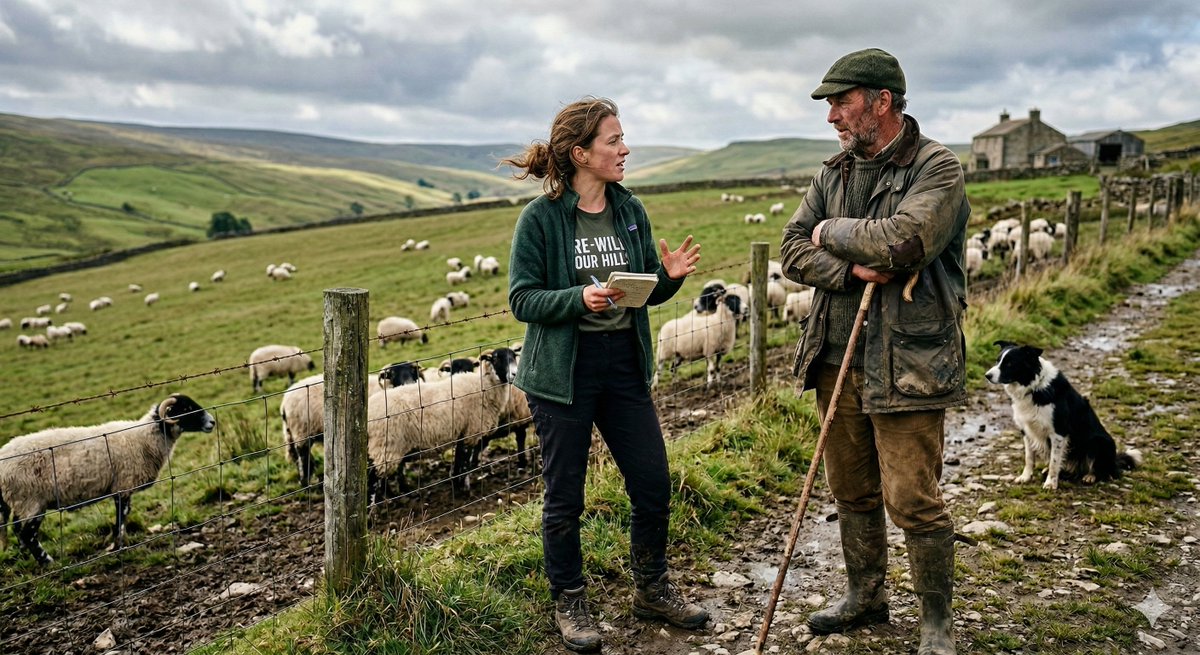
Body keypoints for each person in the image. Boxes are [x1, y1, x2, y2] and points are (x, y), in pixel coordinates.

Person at [779, 48, 970, 655]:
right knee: (851, 489)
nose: (832, 115)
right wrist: (849, 270)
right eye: (830, 104)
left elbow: (905, 240)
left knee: (912, 495)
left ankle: (936, 620)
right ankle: (867, 596)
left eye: (841, 101)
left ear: (881, 101)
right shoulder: (833, 174)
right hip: (837, 354)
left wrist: (828, 233)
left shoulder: (935, 169)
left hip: (908, 361)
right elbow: (789, 249)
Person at [504, 96, 709, 653]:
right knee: (564, 497)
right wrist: (579, 298)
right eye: (613, 141)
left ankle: (651, 587)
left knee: (652, 482)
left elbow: (641, 291)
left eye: (622, 139)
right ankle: (570, 600)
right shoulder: (541, 219)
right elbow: (523, 299)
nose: (625, 149)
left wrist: (667, 279)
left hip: (623, 364)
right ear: (581, 153)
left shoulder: (630, 209)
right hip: (563, 374)